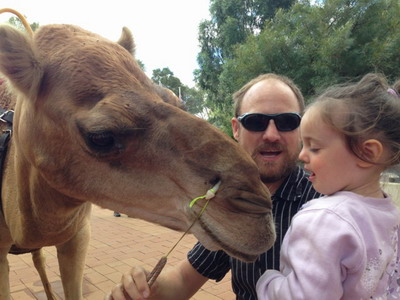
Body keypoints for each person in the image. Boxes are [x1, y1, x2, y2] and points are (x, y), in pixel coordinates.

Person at [106, 73, 322, 300]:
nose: (271, 134)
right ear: (236, 129)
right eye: (256, 122)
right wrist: (146, 289)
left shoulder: (328, 200)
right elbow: (182, 280)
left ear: (300, 128)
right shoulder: (227, 200)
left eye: (287, 122)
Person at [256, 73, 400, 299]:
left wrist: (268, 282)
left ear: (367, 152)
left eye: (314, 148)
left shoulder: (325, 220)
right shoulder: (390, 214)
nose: (302, 155)